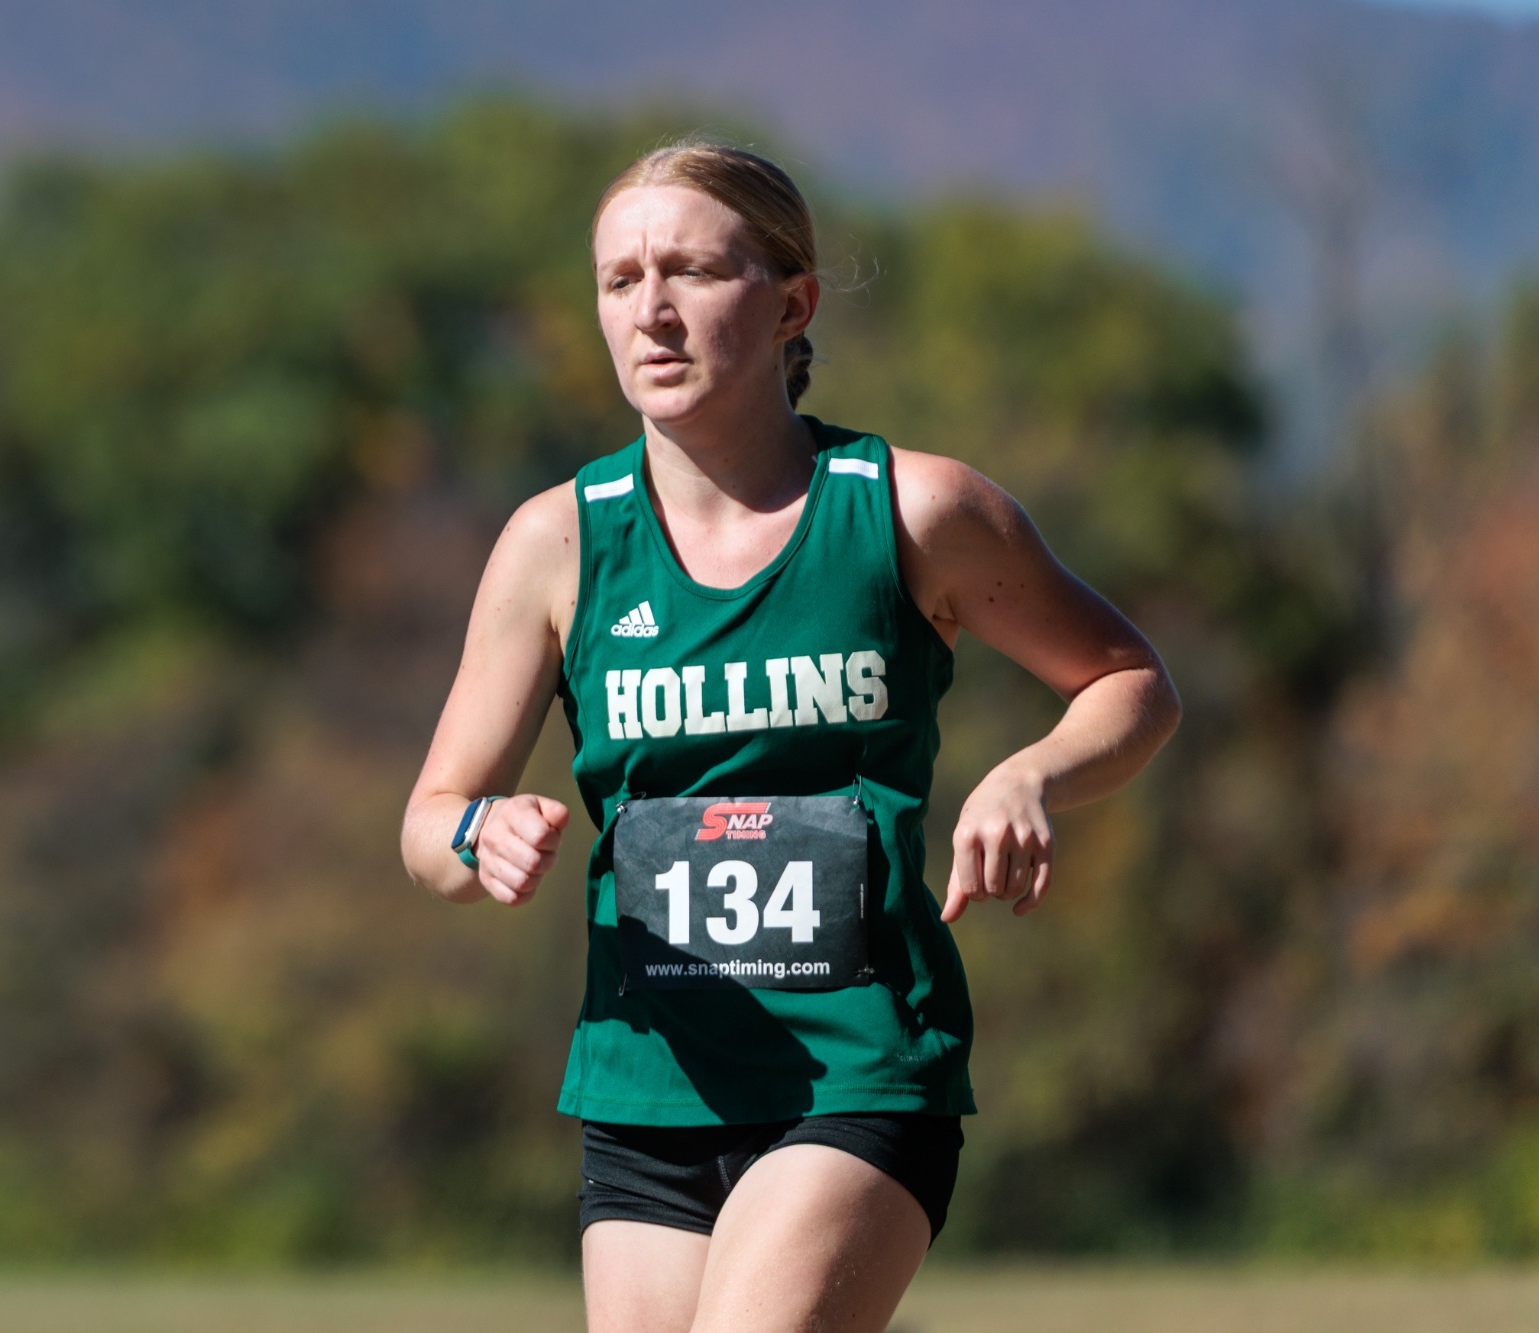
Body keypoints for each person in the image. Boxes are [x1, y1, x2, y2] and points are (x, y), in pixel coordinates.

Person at [400, 140, 1181, 1333]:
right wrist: (479, 831)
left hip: (855, 1074)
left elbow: (1130, 684)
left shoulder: (911, 509)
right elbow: (428, 824)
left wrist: (1029, 772)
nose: (650, 313)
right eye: (619, 280)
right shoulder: (556, 544)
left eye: (691, 273)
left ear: (790, 303)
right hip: (648, 1086)